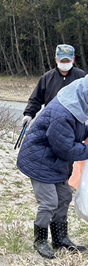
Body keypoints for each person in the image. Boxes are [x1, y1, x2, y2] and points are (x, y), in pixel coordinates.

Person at [17, 76, 88, 259]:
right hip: (39, 161)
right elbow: (66, 148)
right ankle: (40, 240)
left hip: (55, 162)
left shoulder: (76, 106)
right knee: (49, 201)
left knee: (64, 197)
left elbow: (77, 132)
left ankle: (60, 238)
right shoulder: (63, 112)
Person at [22, 44, 86, 128]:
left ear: (73, 59)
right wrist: (29, 114)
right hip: (51, 122)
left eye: (67, 61)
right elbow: (36, 98)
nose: (65, 63)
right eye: (62, 61)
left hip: (75, 124)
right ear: (56, 59)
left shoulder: (81, 77)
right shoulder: (47, 77)